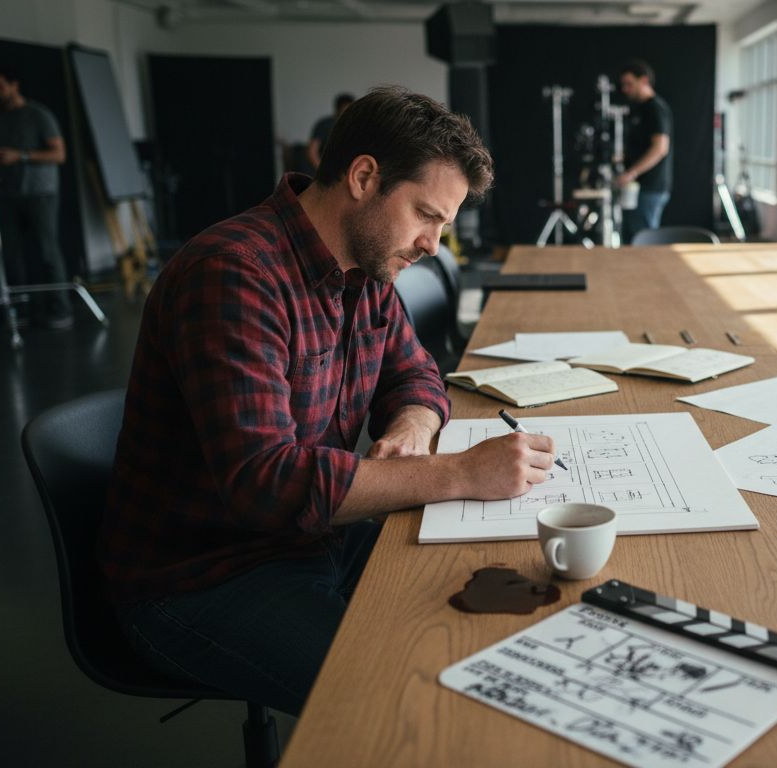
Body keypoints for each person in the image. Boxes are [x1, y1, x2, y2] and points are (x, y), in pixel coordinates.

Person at [101, 86, 556, 716]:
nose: (433, 244)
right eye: (426, 215)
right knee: (402, 706)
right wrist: (455, 473)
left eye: (444, 226)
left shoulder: (369, 265)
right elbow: (265, 483)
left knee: (500, 633)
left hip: (316, 539)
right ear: (364, 177)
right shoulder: (233, 273)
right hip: (204, 575)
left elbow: (417, 375)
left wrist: (412, 429)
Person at [0, 66, 73, 328]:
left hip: (40, 192)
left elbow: (59, 154)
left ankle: (60, 309)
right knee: (11, 254)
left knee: (47, 251)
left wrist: (21, 156)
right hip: (7, 192)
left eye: (1, 86)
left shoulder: (38, 115)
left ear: (14, 85)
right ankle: (21, 310)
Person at [615, 60, 673, 245]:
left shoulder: (655, 108)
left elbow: (660, 148)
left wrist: (632, 173)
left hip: (649, 187)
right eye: (623, 85)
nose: (625, 89)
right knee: (631, 239)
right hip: (636, 189)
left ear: (644, 80)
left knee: (644, 242)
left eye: (629, 84)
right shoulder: (639, 109)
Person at [306, 92, 355, 170]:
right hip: (324, 169)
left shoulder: (353, 126)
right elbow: (312, 151)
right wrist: (322, 170)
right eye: (346, 109)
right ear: (338, 109)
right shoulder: (325, 125)